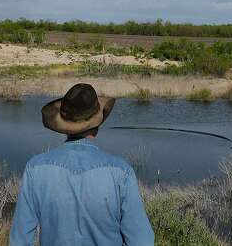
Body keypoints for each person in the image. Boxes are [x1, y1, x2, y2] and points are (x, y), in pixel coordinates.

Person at [10, 83, 155, 245]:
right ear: (97, 123)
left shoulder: (36, 168)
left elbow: (20, 239)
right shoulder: (121, 172)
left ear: (64, 126)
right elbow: (142, 240)